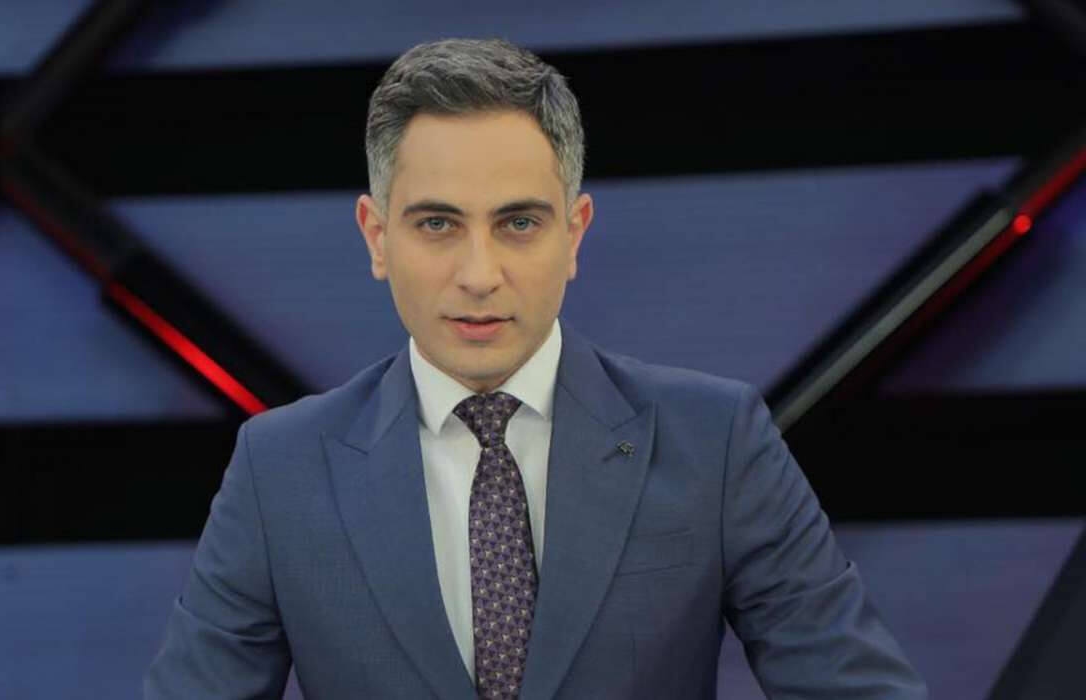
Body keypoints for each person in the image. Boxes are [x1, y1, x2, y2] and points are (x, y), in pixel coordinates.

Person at [145, 38, 927, 699]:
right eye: (438, 224)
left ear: (574, 234)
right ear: (377, 237)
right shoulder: (279, 469)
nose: (479, 274)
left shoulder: (717, 442)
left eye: (518, 223)